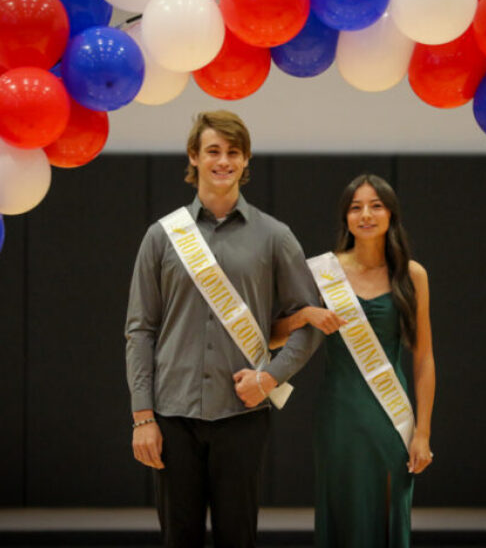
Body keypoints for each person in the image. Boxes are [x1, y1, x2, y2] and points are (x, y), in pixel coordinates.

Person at [124, 110, 321, 548]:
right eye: (213, 150)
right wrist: (143, 416)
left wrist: (270, 377)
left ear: (246, 160)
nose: (223, 161)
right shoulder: (161, 237)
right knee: (180, 539)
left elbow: (311, 322)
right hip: (171, 415)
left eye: (234, 152)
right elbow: (140, 331)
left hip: (243, 417)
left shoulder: (275, 236)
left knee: (239, 538)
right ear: (193, 157)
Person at [271, 173, 436, 548]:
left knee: (389, 515)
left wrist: (423, 432)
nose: (366, 214)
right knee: (342, 515)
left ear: (391, 214)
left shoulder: (413, 275)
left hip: (392, 420)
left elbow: (424, 357)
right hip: (339, 418)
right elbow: (273, 336)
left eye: (376, 206)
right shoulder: (320, 272)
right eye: (355, 207)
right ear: (345, 217)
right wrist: (305, 316)